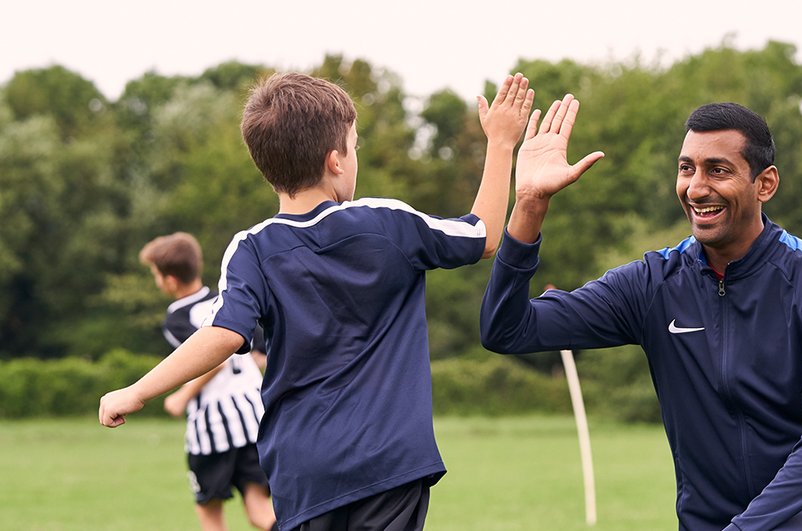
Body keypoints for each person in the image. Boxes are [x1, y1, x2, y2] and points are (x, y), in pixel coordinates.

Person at [101, 71, 539, 530]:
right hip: (388, 463)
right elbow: (484, 236)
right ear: (336, 160)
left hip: (303, 470)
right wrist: (500, 144)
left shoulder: (252, 249)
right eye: (354, 145)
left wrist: (136, 391)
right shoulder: (386, 223)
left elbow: (224, 334)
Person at [481, 102, 802, 530]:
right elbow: (507, 329)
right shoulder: (654, 284)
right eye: (687, 168)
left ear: (764, 184)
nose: (695, 187)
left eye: (718, 170)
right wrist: (529, 205)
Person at [138, 231, 276, 531]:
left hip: (213, 427)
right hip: (254, 418)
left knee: (210, 515)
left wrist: (182, 396)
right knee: (260, 512)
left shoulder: (176, 318)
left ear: (169, 280)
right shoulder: (227, 301)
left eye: (156, 275)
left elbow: (214, 356)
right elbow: (260, 352)